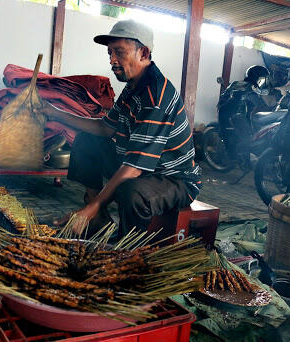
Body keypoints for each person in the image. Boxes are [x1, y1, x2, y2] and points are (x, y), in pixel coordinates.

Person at [41, 19, 201, 240]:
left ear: (143, 53)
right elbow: (105, 128)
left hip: (173, 179)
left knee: (131, 191)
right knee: (87, 141)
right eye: (109, 54)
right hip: (140, 166)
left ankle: (128, 249)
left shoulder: (156, 96)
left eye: (119, 52)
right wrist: (55, 112)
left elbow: (134, 168)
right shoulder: (132, 88)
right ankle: (98, 218)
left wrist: (92, 207)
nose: (112, 60)